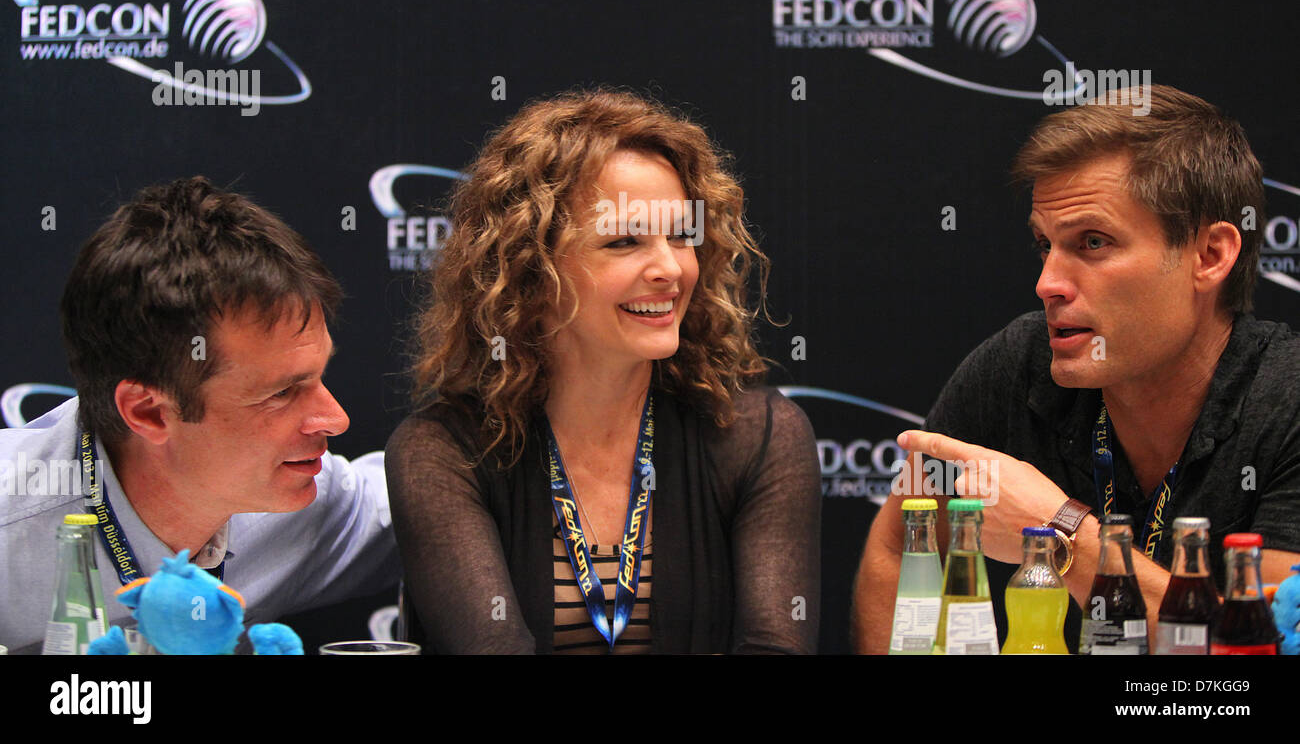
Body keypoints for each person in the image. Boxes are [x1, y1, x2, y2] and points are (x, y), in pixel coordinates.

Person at [853, 85, 1300, 653]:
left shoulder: (1287, 402)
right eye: (1045, 244)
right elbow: (900, 541)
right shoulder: (1016, 364)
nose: (1047, 284)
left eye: (1093, 242)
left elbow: (1263, 648)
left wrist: (1059, 529)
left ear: (1209, 256)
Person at [387, 88, 821, 653]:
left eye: (681, 235)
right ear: (530, 270)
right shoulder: (442, 450)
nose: (670, 268)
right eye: (624, 241)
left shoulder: (758, 435)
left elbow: (775, 647)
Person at [0, 177, 398, 654]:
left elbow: (437, 501)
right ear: (149, 412)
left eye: (317, 378)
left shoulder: (308, 498)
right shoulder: (11, 530)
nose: (335, 419)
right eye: (283, 392)